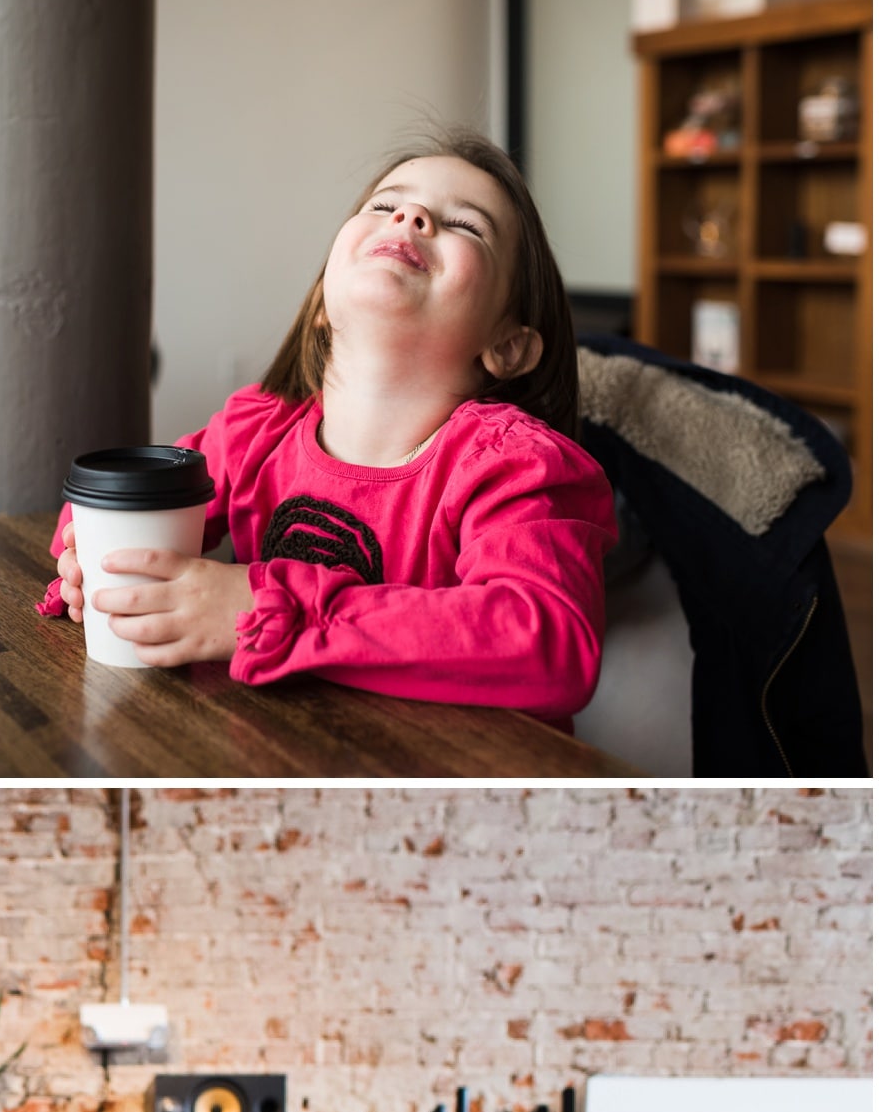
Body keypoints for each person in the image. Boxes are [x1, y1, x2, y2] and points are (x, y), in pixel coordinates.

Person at [37, 129, 615, 727]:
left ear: (509, 345)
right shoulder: (254, 429)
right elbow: (110, 513)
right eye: (385, 206)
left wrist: (258, 604)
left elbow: (550, 644)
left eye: (466, 225)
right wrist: (96, 566)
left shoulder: (518, 466)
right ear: (321, 302)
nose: (411, 216)